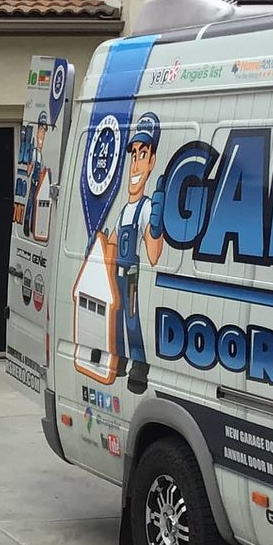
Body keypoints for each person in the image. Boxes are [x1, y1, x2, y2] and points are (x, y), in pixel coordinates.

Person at [113, 112, 165, 392]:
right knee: (117, 315)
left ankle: (140, 366)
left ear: (151, 162)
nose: (135, 164)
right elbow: (111, 241)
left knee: (132, 321)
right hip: (117, 273)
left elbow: (154, 255)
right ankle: (119, 361)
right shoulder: (123, 210)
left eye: (142, 155)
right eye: (133, 156)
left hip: (131, 274)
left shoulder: (145, 208)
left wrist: (156, 227)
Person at [20, 112, 50, 241]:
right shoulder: (34, 152)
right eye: (41, 131)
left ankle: (32, 225)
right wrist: (28, 170)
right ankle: (27, 223)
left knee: (36, 203)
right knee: (31, 202)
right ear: (37, 131)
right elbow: (30, 167)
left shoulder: (41, 153)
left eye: (44, 132)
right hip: (34, 181)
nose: (42, 136)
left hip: (39, 181)